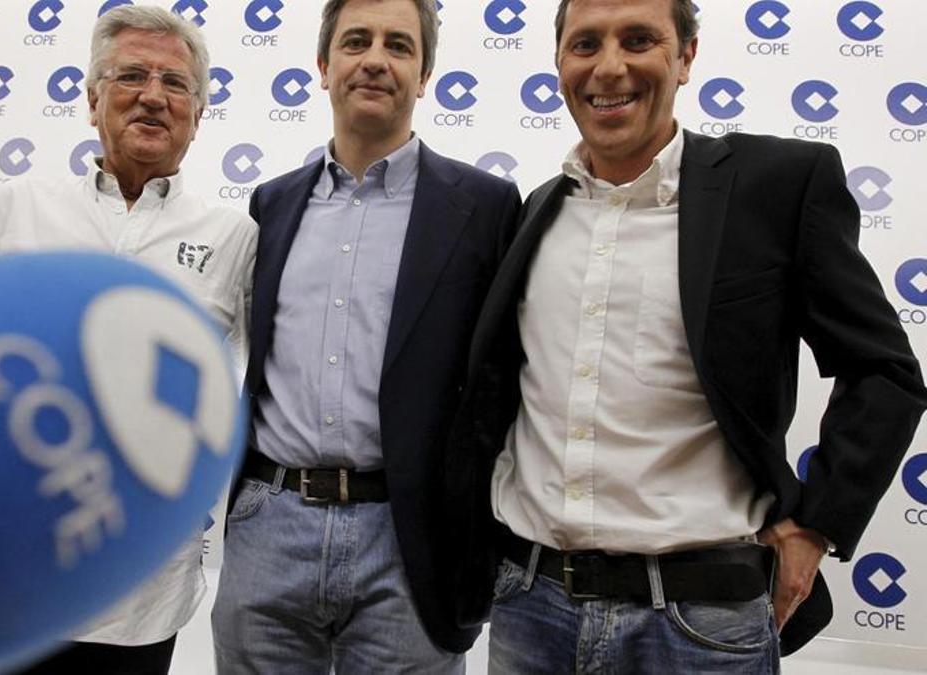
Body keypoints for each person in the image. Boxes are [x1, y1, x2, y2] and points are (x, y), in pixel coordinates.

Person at [445, 0, 927, 672]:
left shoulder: (778, 187)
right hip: (531, 608)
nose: (609, 66)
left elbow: (884, 372)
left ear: (687, 57)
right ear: (559, 64)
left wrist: (817, 523)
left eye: (639, 39)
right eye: (585, 44)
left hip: (702, 624)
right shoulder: (534, 213)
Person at [209, 0, 521, 672]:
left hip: (410, 537)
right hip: (271, 520)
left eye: (398, 46)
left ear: (424, 73)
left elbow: (502, 382)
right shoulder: (273, 202)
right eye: (356, 41)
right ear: (324, 67)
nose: (375, 58)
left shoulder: (486, 207)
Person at [0, 6, 256, 673]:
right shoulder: (15, 209)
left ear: (200, 112)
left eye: (176, 84)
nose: (154, 96)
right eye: (132, 75)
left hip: (140, 599)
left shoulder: (236, 238)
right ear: (92, 100)